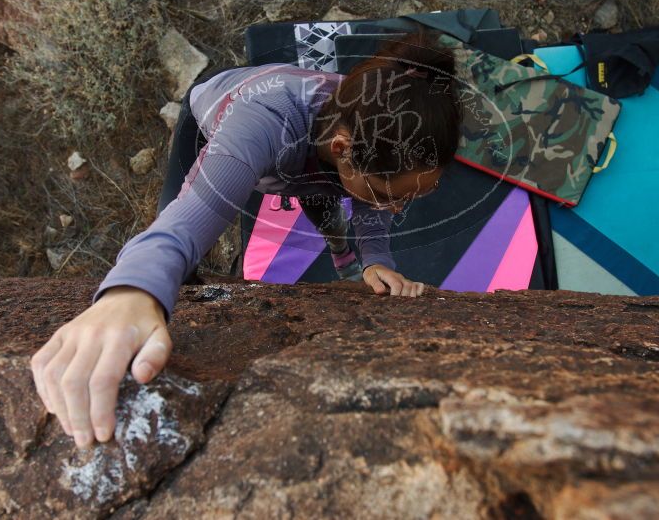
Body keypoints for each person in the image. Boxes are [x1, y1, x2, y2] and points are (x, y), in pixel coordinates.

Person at [30, 28, 463, 449]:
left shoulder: (372, 126)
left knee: (329, 208)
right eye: (390, 196)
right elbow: (184, 221)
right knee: (180, 247)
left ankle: (344, 258)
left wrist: (376, 258)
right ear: (341, 148)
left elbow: (372, 192)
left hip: (311, 156)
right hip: (216, 121)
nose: (396, 209)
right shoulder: (264, 127)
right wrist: (132, 292)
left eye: (409, 197)